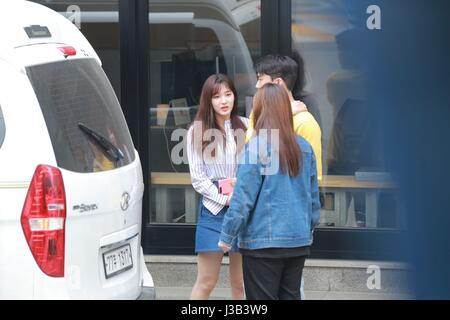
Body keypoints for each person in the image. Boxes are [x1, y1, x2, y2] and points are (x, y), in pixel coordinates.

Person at [218, 83, 320, 300]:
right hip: (298, 240)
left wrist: (227, 235)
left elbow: (242, 198)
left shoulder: (256, 147)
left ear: (261, 110)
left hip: (263, 242)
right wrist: (307, 229)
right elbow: (313, 199)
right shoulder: (304, 147)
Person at [246, 53, 323, 298]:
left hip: (288, 231)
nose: (256, 85)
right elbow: (250, 154)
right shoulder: (256, 114)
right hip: (260, 228)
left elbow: (313, 180)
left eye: (260, 79)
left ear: (277, 83)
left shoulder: (305, 122)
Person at [186, 73, 248, 300]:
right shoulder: (197, 131)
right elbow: (198, 179)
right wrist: (225, 198)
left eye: (228, 94)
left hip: (242, 210)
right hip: (213, 212)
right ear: (208, 100)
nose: (224, 101)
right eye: (217, 96)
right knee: (206, 282)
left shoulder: (246, 126)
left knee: (240, 283)